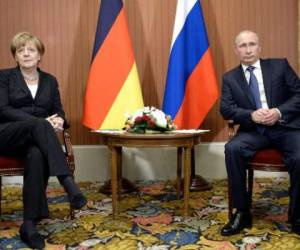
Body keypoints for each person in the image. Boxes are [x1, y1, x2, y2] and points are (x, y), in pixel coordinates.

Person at [0, 32, 87, 249]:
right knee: (40, 124)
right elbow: (3, 109)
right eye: (21, 50)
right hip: (7, 134)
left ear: (40, 55)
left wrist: (59, 121)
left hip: (34, 141)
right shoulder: (4, 77)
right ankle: (68, 183)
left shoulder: (50, 80)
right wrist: (42, 122)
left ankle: (29, 225)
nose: (26, 54)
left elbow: (60, 113)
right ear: (15, 56)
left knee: (36, 154)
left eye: (31, 50)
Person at [220, 30, 300, 236]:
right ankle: (241, 212)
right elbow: (226, 109)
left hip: (285, 127)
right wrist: (251, 115)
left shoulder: (279, 66)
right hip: (254, 131)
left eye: (252, 44)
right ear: (236, 50)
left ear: (259, 47)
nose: (248, 50)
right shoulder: (230, 78)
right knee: (232, 148)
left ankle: (297, 214)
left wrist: (278, 111)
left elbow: (298, 94)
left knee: (299, 156)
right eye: (243, 45)